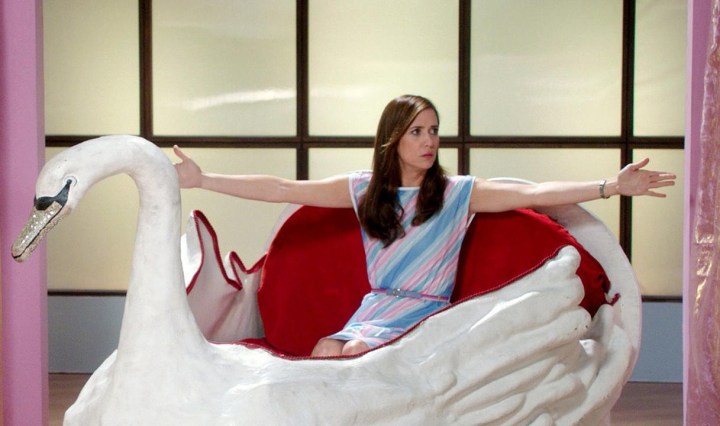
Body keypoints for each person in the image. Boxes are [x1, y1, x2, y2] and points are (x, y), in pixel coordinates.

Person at [173, 94, 676, 358]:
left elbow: (534, 195)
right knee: (326, 349)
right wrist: (203, 179)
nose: (430, 141)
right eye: (417, 131)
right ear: (393, 139)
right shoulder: (365, 189)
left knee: (358, 354)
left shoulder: (457, 193)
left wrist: (610, 186)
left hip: (426, 312)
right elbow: (283, 187)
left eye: (434, 131)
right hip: (375, 308)